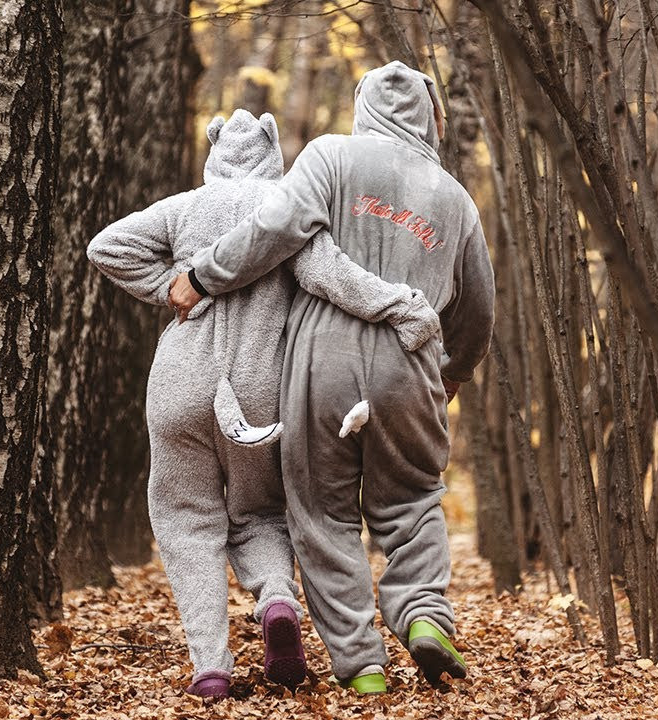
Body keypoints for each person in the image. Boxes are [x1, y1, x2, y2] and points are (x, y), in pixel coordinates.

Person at [86, 109, 441, 699]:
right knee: (262, 511)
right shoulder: (287, 208)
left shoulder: (184, 208)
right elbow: (334, 276)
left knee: (186, 521)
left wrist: (177, 286)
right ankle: (277, 601)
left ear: (214, 149)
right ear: (274, 148)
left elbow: (107, 247)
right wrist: (404, 307)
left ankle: (211, 666)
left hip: (178, 386)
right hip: (260, 392)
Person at [170, 61, 495, 693]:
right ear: (430, 117)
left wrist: (206, 273)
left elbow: (274, 230)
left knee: (322, 512)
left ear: (363, 106)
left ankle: (363, 667)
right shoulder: (456, 198)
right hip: (412, 362)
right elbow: (477, 315)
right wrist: (449, 374)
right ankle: (424, 617)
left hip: (324, 358)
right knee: (412, 501)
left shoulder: (329, 157)